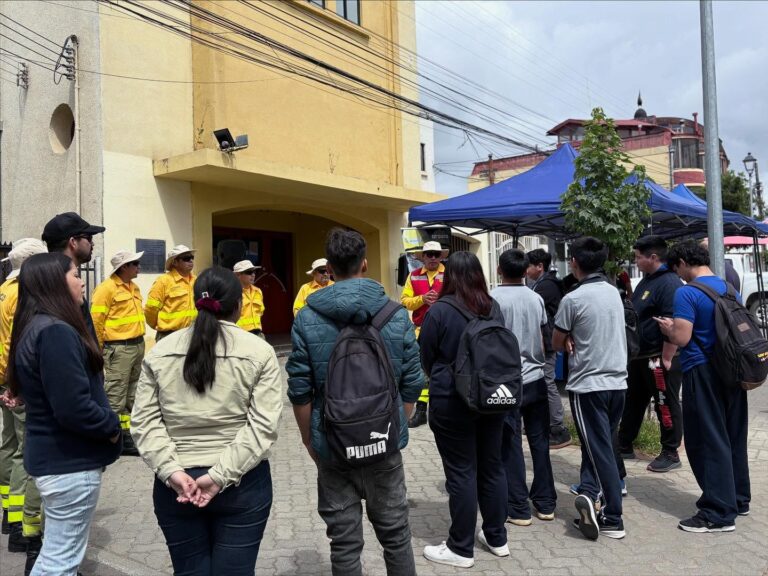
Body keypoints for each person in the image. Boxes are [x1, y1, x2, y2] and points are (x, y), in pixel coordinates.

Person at [287, 228, 422, 576]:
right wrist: (395, 424)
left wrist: (308, 439)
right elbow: (412, 382)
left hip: (333, 443)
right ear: (364, 264)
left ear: (329, 269)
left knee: (344, 544)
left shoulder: (307, 317)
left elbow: (300, 390)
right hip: (384, 443)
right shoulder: (395, 314)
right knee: (396, 536)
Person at [132, 266, 282, 574]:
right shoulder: (260, 352)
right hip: (242, 483)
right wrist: (218, 476)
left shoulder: (160, 352)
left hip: (177, 487)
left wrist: (172, 471)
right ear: (239, 305)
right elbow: (262, 428)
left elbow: (144, 424)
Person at [6, 252, 121, 575]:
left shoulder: (36, 325)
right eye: (74, 274)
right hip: (69, 463)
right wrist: (112, 427)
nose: (81, 280)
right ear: (55, 283)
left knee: (56, 556)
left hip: (55, 461)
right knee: (60, 563)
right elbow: (73, 408)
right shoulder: (55, 331)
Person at [420, 251, 508, 568]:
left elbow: (426, 356)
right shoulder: (492, 307)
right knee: (492, 466)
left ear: (449, 276)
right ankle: (497, 537)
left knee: (461, 472)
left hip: (452, 401)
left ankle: (460, 547)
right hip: (492, 398)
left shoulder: (440, 310)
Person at [657, 240, 750, 533]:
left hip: (703, 371)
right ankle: (738, 498)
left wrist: (668, 327)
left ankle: (717, 512)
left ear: (684, 261)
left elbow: (683, 338)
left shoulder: (688, 292)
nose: (679, 274)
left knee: (707, 440)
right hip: (733, 370)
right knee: (733, 435)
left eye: (677, 268)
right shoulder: (727, 287)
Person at [553, 237, 627, 541]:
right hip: (618, 382)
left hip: (589, 385)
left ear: (574, 263)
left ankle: (613, 516)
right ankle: (588, 491)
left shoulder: (573, 298)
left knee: (599, 449)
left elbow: (557, 341)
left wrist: (568, 339)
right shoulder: (614, 292)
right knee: (598, 443)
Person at [492, 249, 557, 527]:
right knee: (540, 442)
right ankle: (545, 503)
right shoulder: (536, 298)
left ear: (499, 270)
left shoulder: (492, 299)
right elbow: (544, 338)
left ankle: (518, 507)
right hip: (536, 378)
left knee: (511, 444)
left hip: (506, 381)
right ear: (524, 270)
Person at [618, 236, 684, 472]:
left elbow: (672, 323)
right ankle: (624, 443)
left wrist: (667, 357)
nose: (635, 261)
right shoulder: (648, 281)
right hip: (641, 356)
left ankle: (670, 451)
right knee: (633, 401)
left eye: (638, 256)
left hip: (659, 357)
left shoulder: (669, 283)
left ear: (653, 257)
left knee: (664, 403)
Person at [0, 239, 47, 566]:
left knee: (8, 443)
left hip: (4, 376)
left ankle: (8, 513)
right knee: (24, 451)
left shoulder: (3, 289)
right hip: (19, 380)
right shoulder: (23, 294)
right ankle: (21, 526)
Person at [90, 250, 146, 457]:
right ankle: (107, 437)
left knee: (131, 395)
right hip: (118, 348)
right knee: (115, 395)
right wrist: (98, 348)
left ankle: (125, 437)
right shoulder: (106, 289)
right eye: (135, 263)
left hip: (136, 345)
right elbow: (96, 321)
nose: (139, 267)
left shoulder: (133, 287)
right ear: (124, 267)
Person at [400, 240, 448, 428]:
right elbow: (404, 300)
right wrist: (422, 299)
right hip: (420, 330)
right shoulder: (413, 276)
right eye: (429, 254)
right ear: (423, 257)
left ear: (441, 256)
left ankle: (443, 407)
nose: (433, 258)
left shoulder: (449, 275)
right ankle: (421, 410)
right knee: (422, 370)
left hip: (445, 328)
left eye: (437, 254)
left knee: (443, 367)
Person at [526, 248, 571, 449]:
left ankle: (556, 426)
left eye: (529, 266)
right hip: (546, 341)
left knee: (547, 381)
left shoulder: (546, 287)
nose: (526, 270)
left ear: (539, 267)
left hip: (547, 342)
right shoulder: (543, 284)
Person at [42, 211, 106, 338]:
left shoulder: (62, 283)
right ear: (73, 242)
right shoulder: (55, 289)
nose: (92, 244)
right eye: (89, 238)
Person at [145, 245, 197, 341]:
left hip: (192, 334)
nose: (190, 261)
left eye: (191, 258)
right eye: (186, 258)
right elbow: (151, 309)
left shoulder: (196, 280)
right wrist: (159, 326)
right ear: (175, 262)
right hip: (169, 335)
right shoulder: (163, 281)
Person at [232, 260, 265, 336]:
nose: (253, 275)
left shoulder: (258, 291)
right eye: (249, 272)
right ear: (238, 275)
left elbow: (261, 312)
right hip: (240, 334)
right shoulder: (233, 293)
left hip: (258, 333)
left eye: (254, 272)